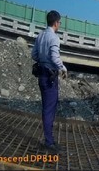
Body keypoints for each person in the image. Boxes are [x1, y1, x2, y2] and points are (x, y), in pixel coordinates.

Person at [32, 10, 68, 152]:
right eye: (59, 22)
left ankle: (50, 139)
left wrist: (42, 59)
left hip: (41, 74)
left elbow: (34, 54)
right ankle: (49, 142)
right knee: (49, 109)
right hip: (50, 77)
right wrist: (63, 68)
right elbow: (54, 57)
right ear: (56, 23)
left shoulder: (40, 35)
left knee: (46, 108)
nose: (59, 25)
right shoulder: (54, 38)